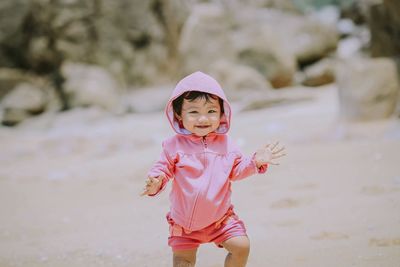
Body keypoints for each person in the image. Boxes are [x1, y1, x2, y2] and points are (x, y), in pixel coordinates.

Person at [141, 71, 286, 267]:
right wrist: (155, 181)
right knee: (183, 262)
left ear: (221, 113)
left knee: (241, 246)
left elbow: (237, 170)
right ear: (179, 115)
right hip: (184, 224)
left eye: (211, 111)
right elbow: (162, 169)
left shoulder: (227, 144)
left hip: (220, 219)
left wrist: (255, 162)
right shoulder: (173, 146)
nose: (203, 119)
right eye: (193, 112)